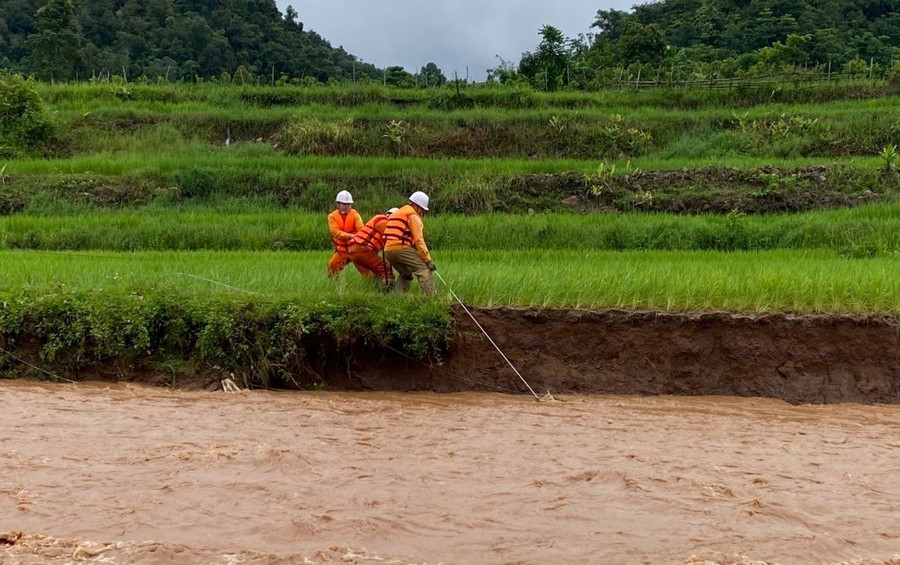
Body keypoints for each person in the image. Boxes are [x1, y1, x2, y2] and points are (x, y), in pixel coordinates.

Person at [384, 191, 436, 295]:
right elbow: (419, 239)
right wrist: (428, 260)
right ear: (416, 205)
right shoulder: (412, 215)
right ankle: (432, 300)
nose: (422, 212)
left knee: (406, 273)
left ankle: (397, 298)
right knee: (423, 270)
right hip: (400, 249)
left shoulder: (399, 212)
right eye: (422, 209)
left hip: (388, 251)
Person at [348, 207, 398, 287]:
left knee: (373, 275)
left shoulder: (382, 221)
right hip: (362, 250)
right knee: (386, 270)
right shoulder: (383, 221)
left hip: (354, 251)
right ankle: (386, 292)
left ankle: (374, 291)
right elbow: (391, 238)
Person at [327, 190, 365, 277]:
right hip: (342, 249)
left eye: (349, 204)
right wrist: (352, 236)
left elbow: (361, 229)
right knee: (332, 265)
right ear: (338, 204)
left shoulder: (355, 214)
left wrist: (357, 238)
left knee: (367, 270)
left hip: (355, 248)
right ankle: (334, 287)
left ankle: (374, 284)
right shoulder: (332, 217)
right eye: (344, 204)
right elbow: (336, 232)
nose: (347, 206)